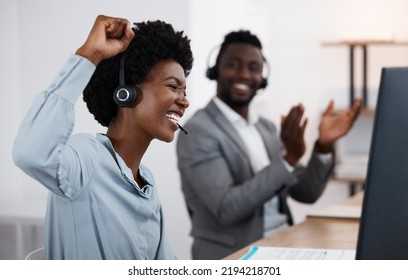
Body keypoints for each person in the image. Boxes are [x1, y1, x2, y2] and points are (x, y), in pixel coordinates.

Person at [12, 15, 193, 259]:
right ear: (125, 93)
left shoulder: (146, 182)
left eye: (184, 91)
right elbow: (30, 153)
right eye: (173, 87)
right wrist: (90, 55)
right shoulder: (86, 159)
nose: (185, 101)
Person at [176, 30, 361, 259]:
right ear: (216, 71)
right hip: (236, 255)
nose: (244, 74)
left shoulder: (266, 128)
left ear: (262, 79)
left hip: (283, 243)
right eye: (234, 65)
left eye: (253, 68)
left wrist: (324, 145)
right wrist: (288, 159)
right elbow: (226, 209)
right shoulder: (198, 130)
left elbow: (306, 192)